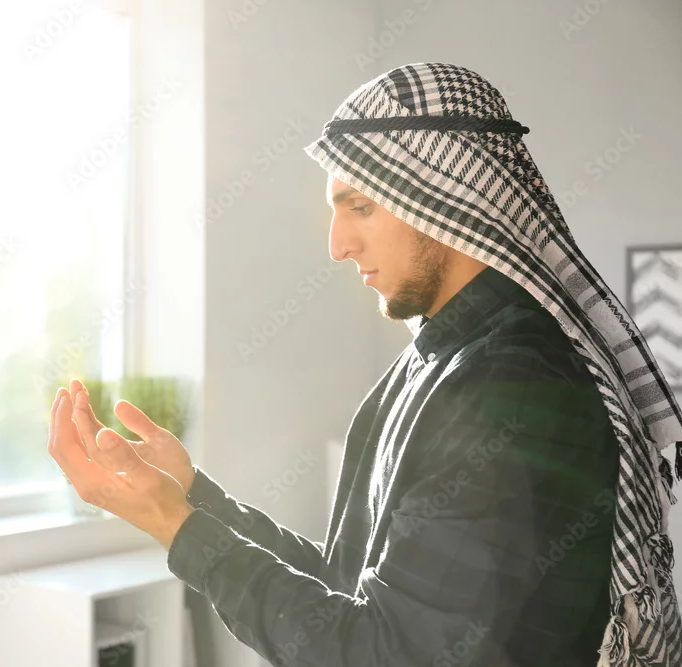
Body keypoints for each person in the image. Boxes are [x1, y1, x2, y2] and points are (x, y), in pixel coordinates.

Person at [47, 62, 682, 667]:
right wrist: (191, 497)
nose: (337, 244)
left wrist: (176, 525)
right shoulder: (437, 363)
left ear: (440, 194)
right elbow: (349, 590)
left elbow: (386, 653)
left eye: (360, 207)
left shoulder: (509, 384)